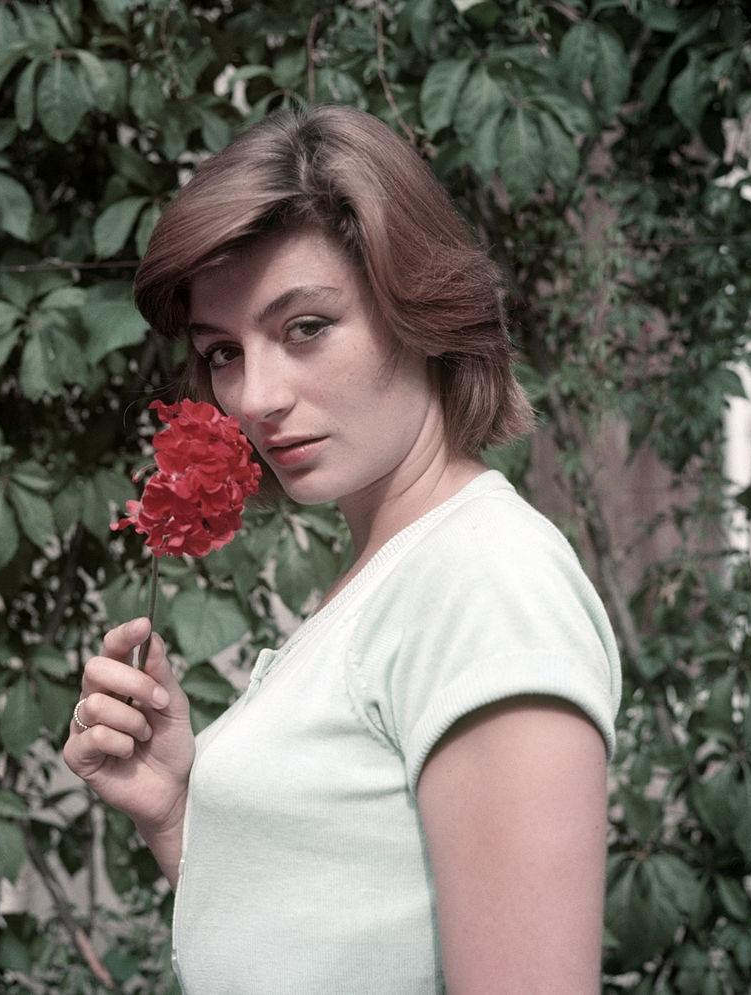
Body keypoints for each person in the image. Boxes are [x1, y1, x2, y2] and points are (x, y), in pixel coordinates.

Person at [63, 104, 621, 994]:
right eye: (222, 352)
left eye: (305, 327)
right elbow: (329, 940)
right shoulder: (397, 573)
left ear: (419, 305)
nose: (255, 396)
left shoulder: (484, 584)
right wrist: (177, 810)